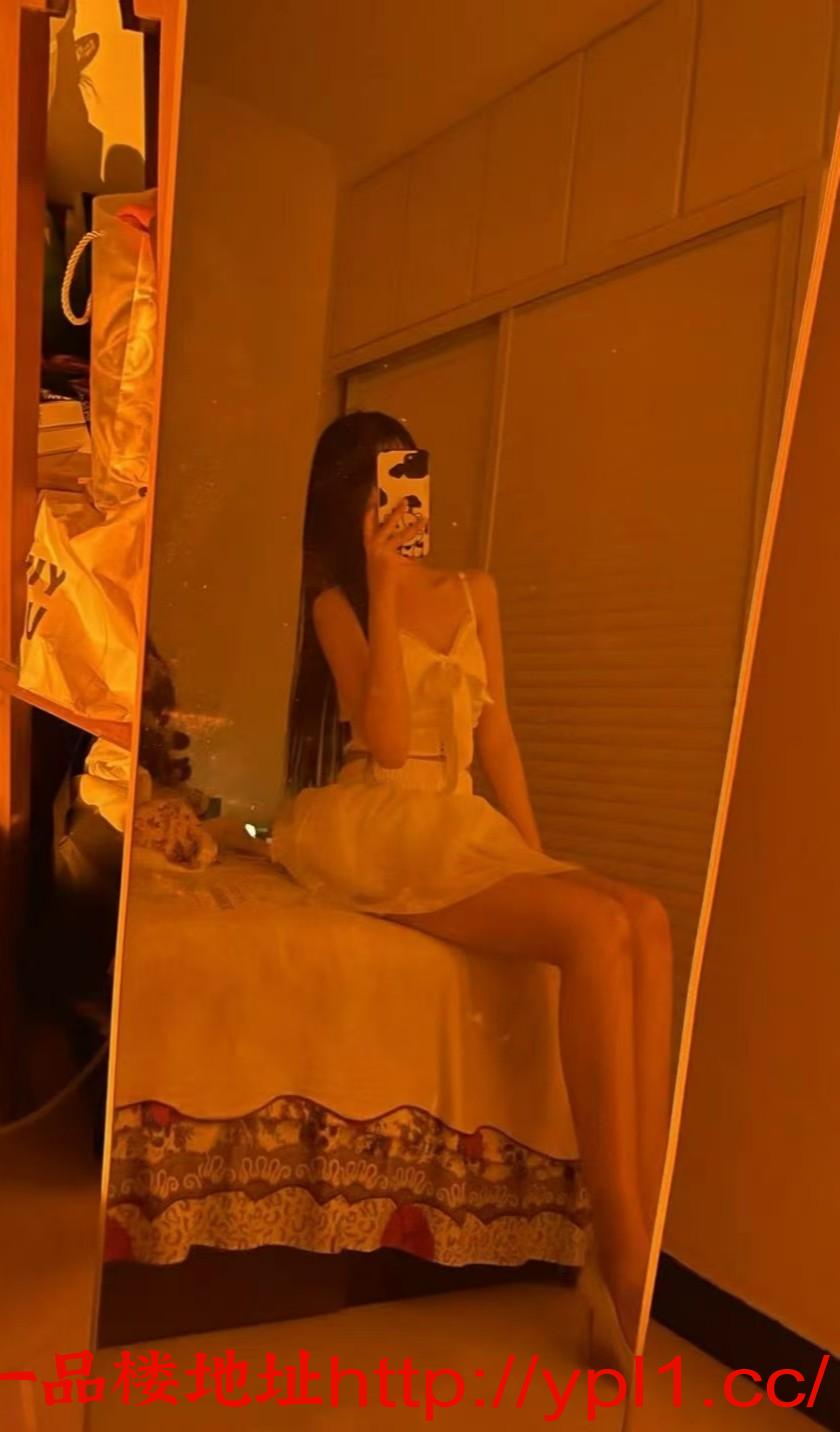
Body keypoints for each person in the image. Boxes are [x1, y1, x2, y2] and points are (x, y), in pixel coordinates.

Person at [272, 411, 673, 1358]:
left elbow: (498, 739)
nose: (398, 504)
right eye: (378, 489)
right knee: (592, 931)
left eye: (406, 479)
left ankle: (639, 1220)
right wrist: (381, 586)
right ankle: (620, 1244)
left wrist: (537, 862)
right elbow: (388, 743)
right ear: (351, 506)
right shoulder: (337, 604)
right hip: (384, 820)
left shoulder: (474, 590)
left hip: (461, 817)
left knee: (642, 919)